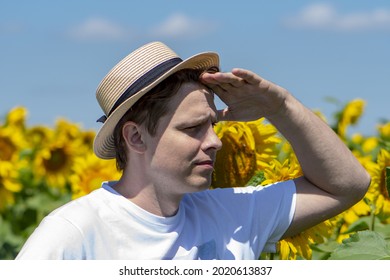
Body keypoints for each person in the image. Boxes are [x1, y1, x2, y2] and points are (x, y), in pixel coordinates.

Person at [16, 41, 370, 260]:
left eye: (213, 124)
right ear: (136, 138)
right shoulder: (73, 235)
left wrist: (281, 107)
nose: (214, 141)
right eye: (192, 129)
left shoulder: (233, 216)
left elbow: (347, 185)